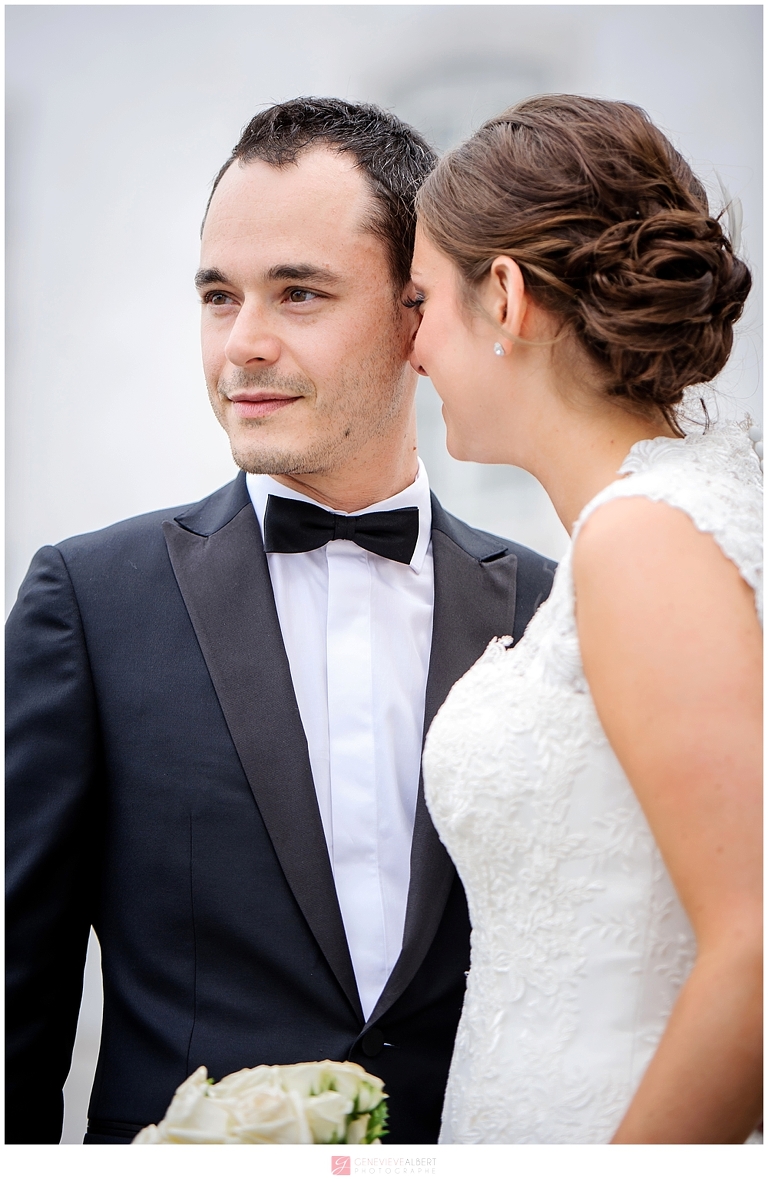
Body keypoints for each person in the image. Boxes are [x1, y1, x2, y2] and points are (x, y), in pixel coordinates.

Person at [5, 98, 555, 1145]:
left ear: (417, 318)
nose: (242, 346)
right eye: (220, 296)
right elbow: (12, 1011)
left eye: (298, 293)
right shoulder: (87, 601)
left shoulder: (549, 609)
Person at [410, 95, 762, 1143]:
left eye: (423, 297)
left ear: (505, 296)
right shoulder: (668, 515)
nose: (411, 341)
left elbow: (754, 937)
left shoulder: (644, 537)